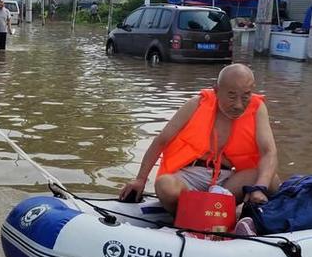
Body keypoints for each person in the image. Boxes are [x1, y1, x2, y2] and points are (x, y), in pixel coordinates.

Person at [119, 63, 279, 214]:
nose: (238, 105)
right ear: (216, 91)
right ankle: (191, 217)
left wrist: (260, 187)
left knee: (271, 179)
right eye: (231, 96)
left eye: (245, 97)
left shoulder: (257, 108)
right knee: (165, 185)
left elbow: (268, 151)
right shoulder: (196, 104)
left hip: (226, 182)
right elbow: (162, 140)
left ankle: (227, 213)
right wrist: (140, 179)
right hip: (190, 177)